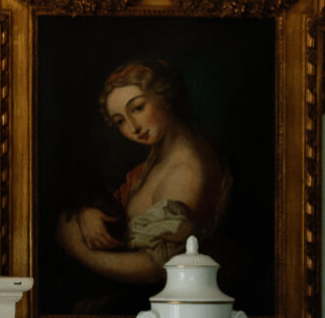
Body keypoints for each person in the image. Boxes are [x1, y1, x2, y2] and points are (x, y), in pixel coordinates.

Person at [55, 56, 231, 292]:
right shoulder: (160, 153)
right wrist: (88, 215)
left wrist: (78, 249)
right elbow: (126, 211)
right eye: (120, 121)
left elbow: (156, 269)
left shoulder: (185, 171)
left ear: (165, 97)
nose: (133, 127)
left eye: (137, 108)